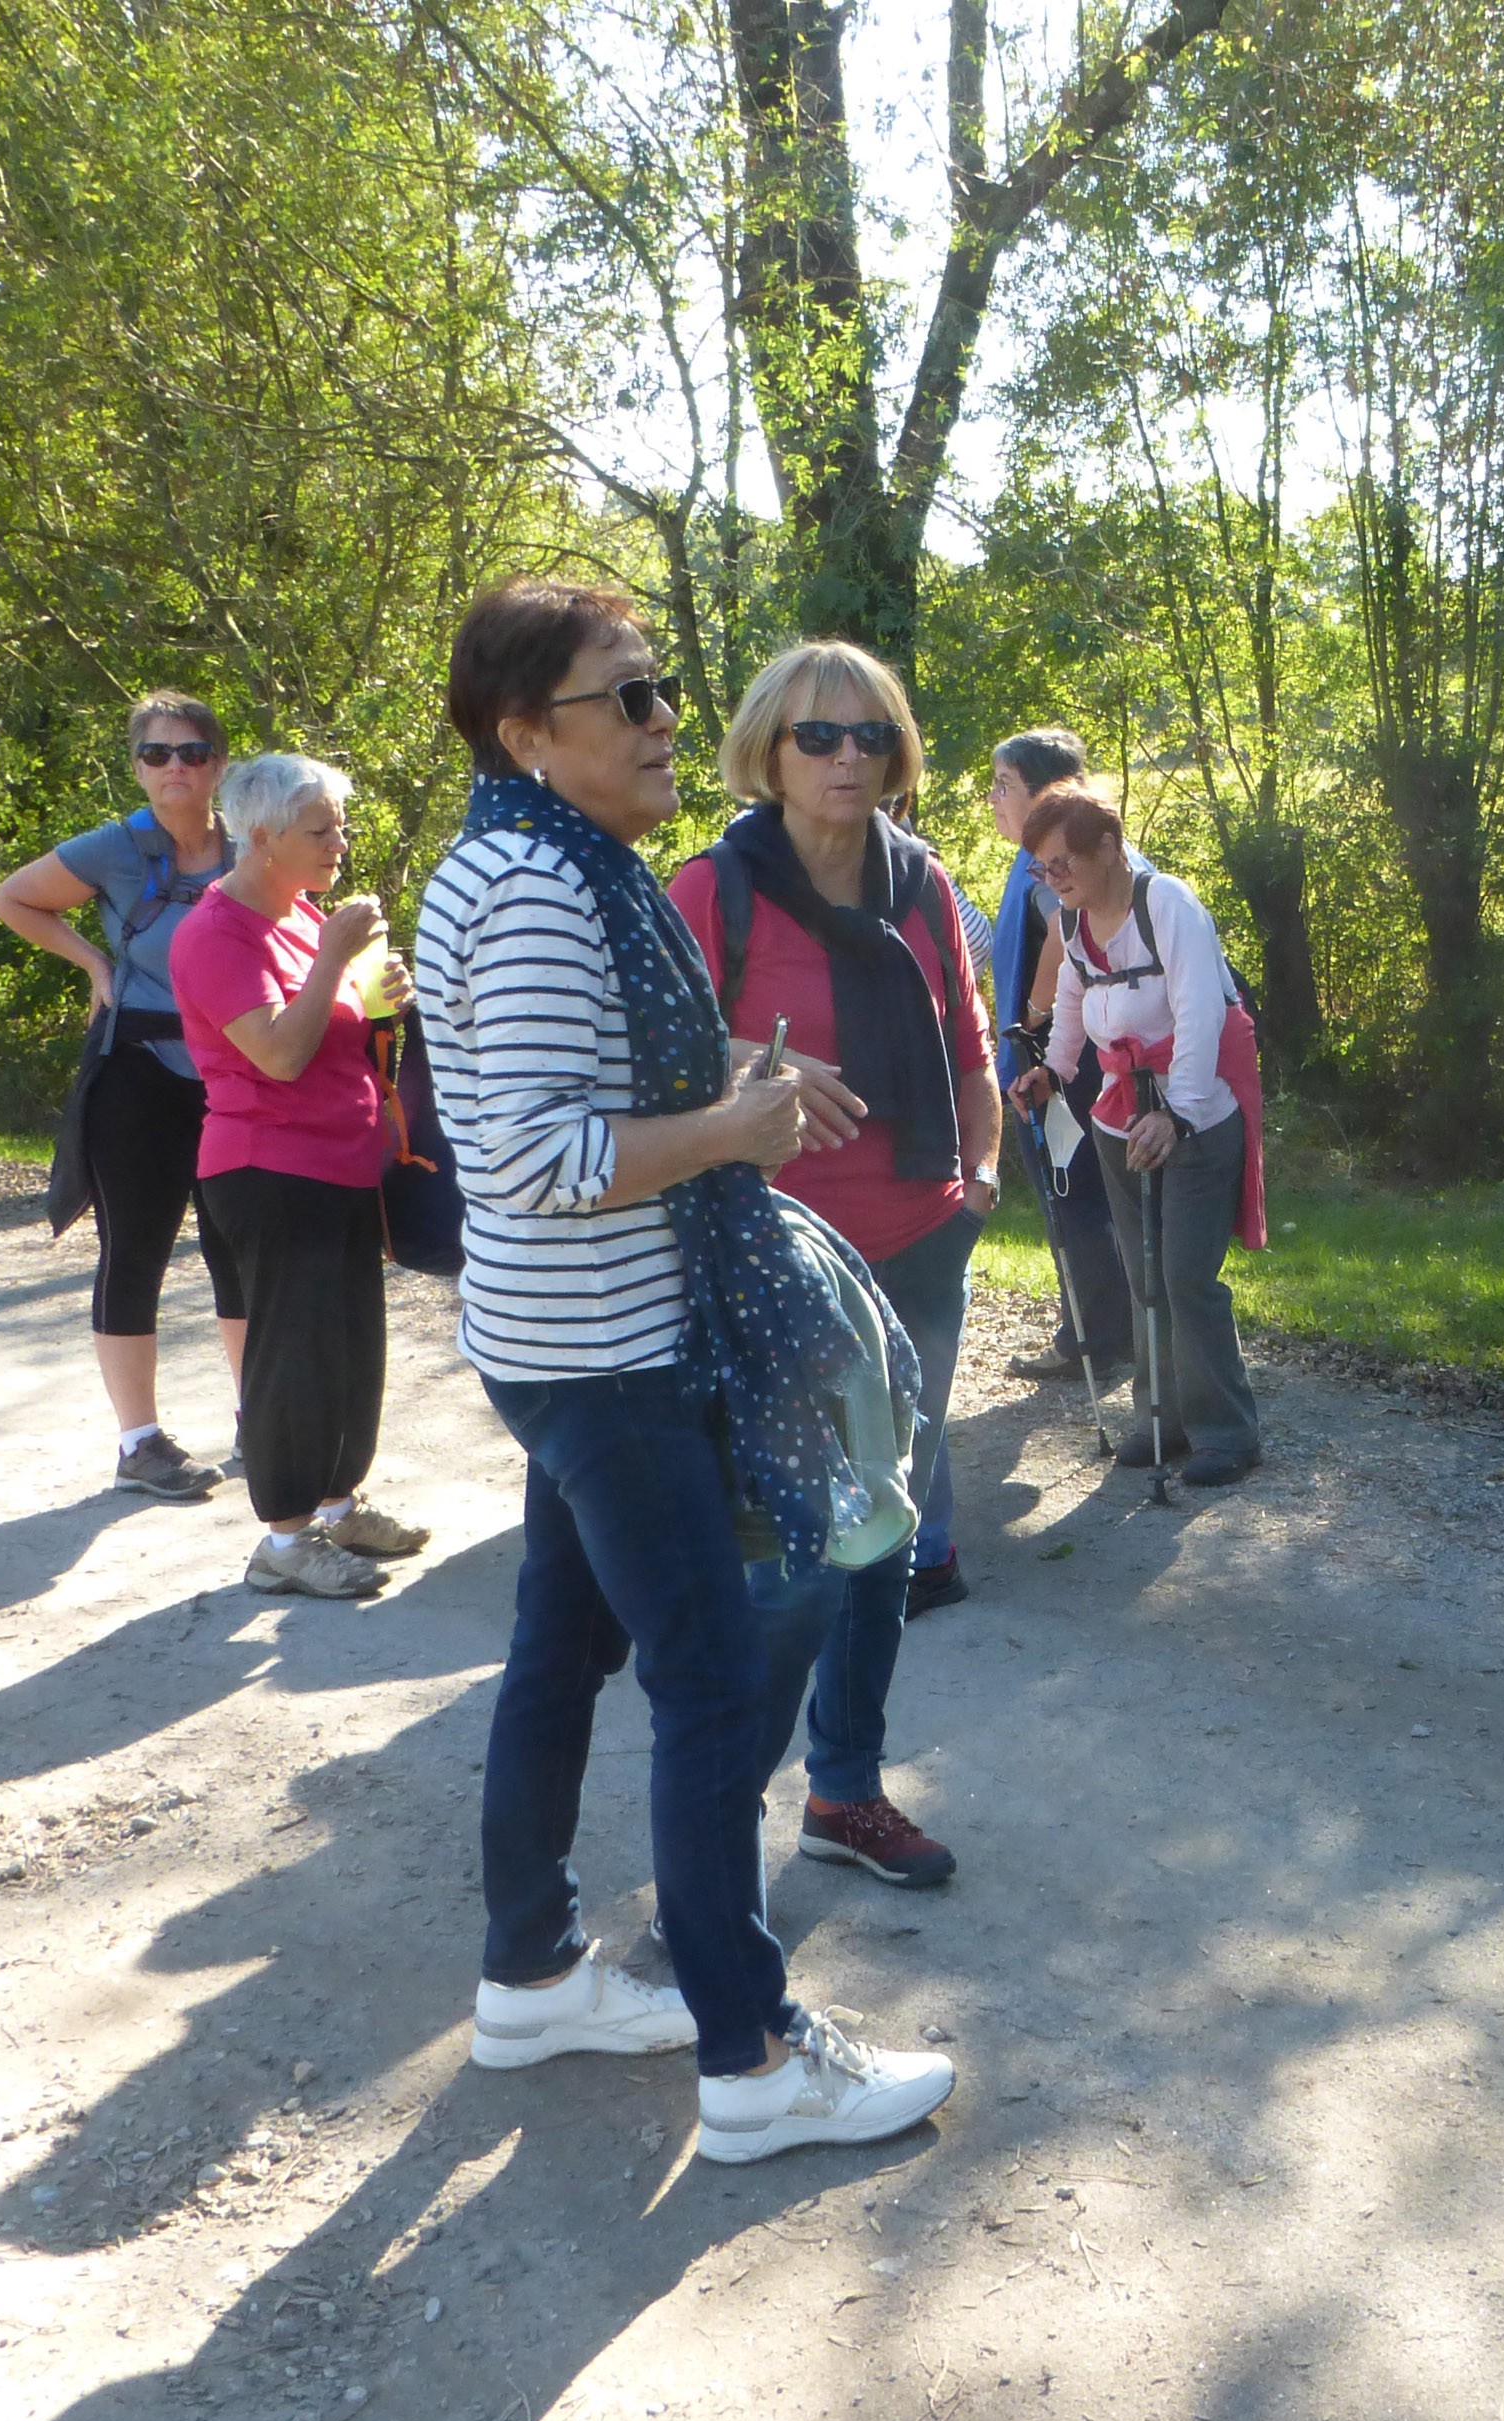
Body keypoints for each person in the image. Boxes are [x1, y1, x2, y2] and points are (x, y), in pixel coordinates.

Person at [414, 575, 954, 2164]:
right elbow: (523, 1150)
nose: (665, 725)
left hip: (564, 1342)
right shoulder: (530, 886)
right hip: (606, 1355)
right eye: (629, 699)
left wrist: (735, 1070)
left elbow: (586, 1069)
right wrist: (731, 1131)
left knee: (558, 1655)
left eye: (659, 689)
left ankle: (531, 1977)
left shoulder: (552, 858)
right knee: (713, 1689)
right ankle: (753, 2059)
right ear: (529, 732)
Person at [667, 641, 995, 1890]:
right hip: (775, 1254)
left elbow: (968, 1044)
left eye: (870, 733)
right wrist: (762, 1057)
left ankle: (843, 1792)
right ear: (768, 749)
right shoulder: (713, 889)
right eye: (819, 735)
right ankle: (716, 1819)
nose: (847, 755)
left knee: (887, 1534)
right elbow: (654, 1060)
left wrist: (978, 1186)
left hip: (916, 1246)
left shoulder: (920, 884)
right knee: (791, 1556)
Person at [165, 753, 433, 1601]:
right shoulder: (214, 932)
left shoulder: (305, 918)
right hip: (268, 1168)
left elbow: (344, 1034)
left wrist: (388, 994)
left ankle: (339, 1504)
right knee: (294, 1357)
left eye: (340, 826)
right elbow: (278, 1053)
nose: (339, 842)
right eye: (321, 829)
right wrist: (334, 958)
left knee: (353, 1350)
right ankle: (283, 1541)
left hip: (343, 1163)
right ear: (263, 835)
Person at [0, 691, 247, 1500]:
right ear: (136, 766)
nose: (177, 767)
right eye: (158, 754)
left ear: (220, 764)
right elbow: (13, 898)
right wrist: (95, 966)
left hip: (237, 1072)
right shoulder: (112, 849)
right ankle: (140, 1444)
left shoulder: (255, 843)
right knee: (134, 1250)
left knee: (238, 1249)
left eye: (194, 751)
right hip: (136, 1072)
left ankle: (257, 1417)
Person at [1007, 788, 1266, 1485]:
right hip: (1119, 1114)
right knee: (1142, 1274)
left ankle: (1228, 1431)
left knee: (1183, 1273)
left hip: (1199, 1112)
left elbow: (1201, 1012)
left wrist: (1176, 1114)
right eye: (1042, 868)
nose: (1055, 879)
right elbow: (1070, 1001)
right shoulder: (1072, 921)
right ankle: (1161, 1421)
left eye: (1064, 862)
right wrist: (1054, 1073)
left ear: (1110, 849)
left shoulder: (1169, 906)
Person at [984, 730, 1137, 1394]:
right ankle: (1106, 1332)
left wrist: (1038, 1015)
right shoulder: (1039, 862)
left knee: (1070, 1195)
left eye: (1004, 785)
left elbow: (1062, 930)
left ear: (1044, 793)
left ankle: (1093, 1340)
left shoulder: (1051, 867)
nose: (993, 798)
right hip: (1066, 1051)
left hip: (1057, 1057)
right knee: (1080, 1194)